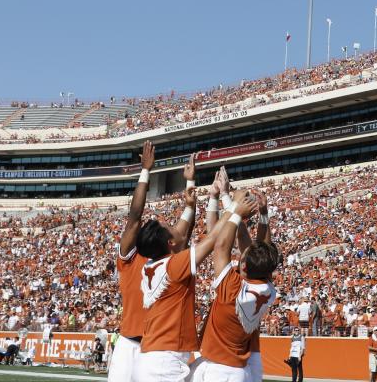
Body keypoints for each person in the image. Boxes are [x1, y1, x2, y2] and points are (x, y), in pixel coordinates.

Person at [133, 179, 252, 382]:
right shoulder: (173, 265)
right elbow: (214, 239)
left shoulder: (152, 265)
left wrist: (195, 205)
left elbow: (182, 240)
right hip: (164, 362)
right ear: (169, 243)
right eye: (171, 227)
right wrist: (234, 208)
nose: (176, 226)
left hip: (152, 357)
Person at [109, 142, 193, 382]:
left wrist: (190, 184)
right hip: (128, 343)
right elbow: (134, 216)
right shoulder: (131, 257)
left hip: (157, 348)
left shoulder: (168, 259)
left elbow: (184, 234)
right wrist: (145, 171)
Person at [192, 184, 278, 382]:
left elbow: (221, 245)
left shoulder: (231, 288)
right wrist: (262, 214)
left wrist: (235, 208)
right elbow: (263, 250)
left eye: (242, 256)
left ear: (245, 267)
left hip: (218, 369)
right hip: (239, 369)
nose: (241, 251)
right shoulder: (267, 288)